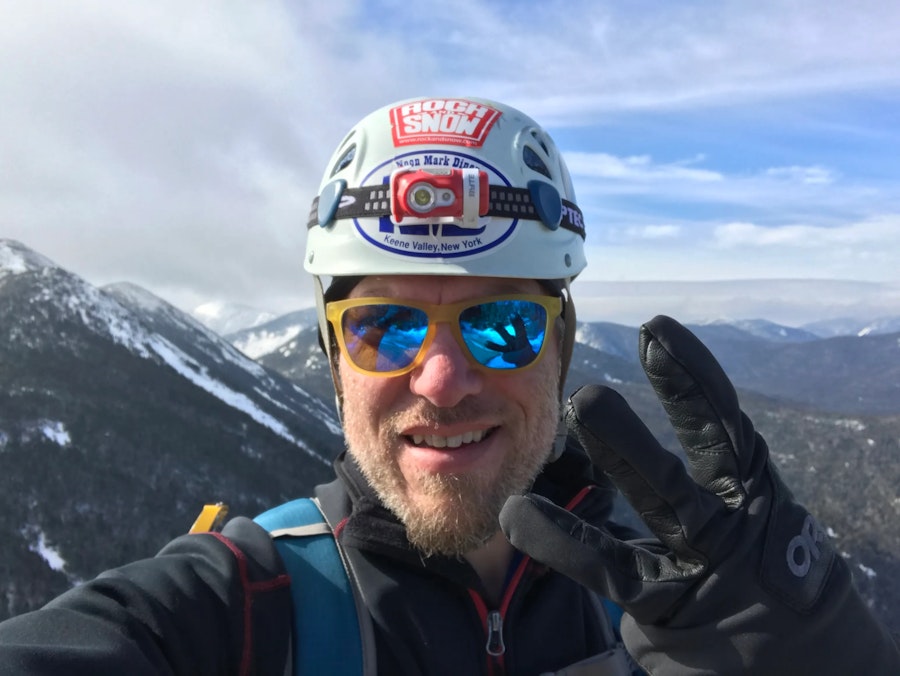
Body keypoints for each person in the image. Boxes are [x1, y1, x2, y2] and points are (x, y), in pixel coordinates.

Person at [0, 96, 897, 675]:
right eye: (383, 326)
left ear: (563, 344)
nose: (441, 379)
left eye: (501, 324)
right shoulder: (235, 612)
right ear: (332, 351)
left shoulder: (686, 595)